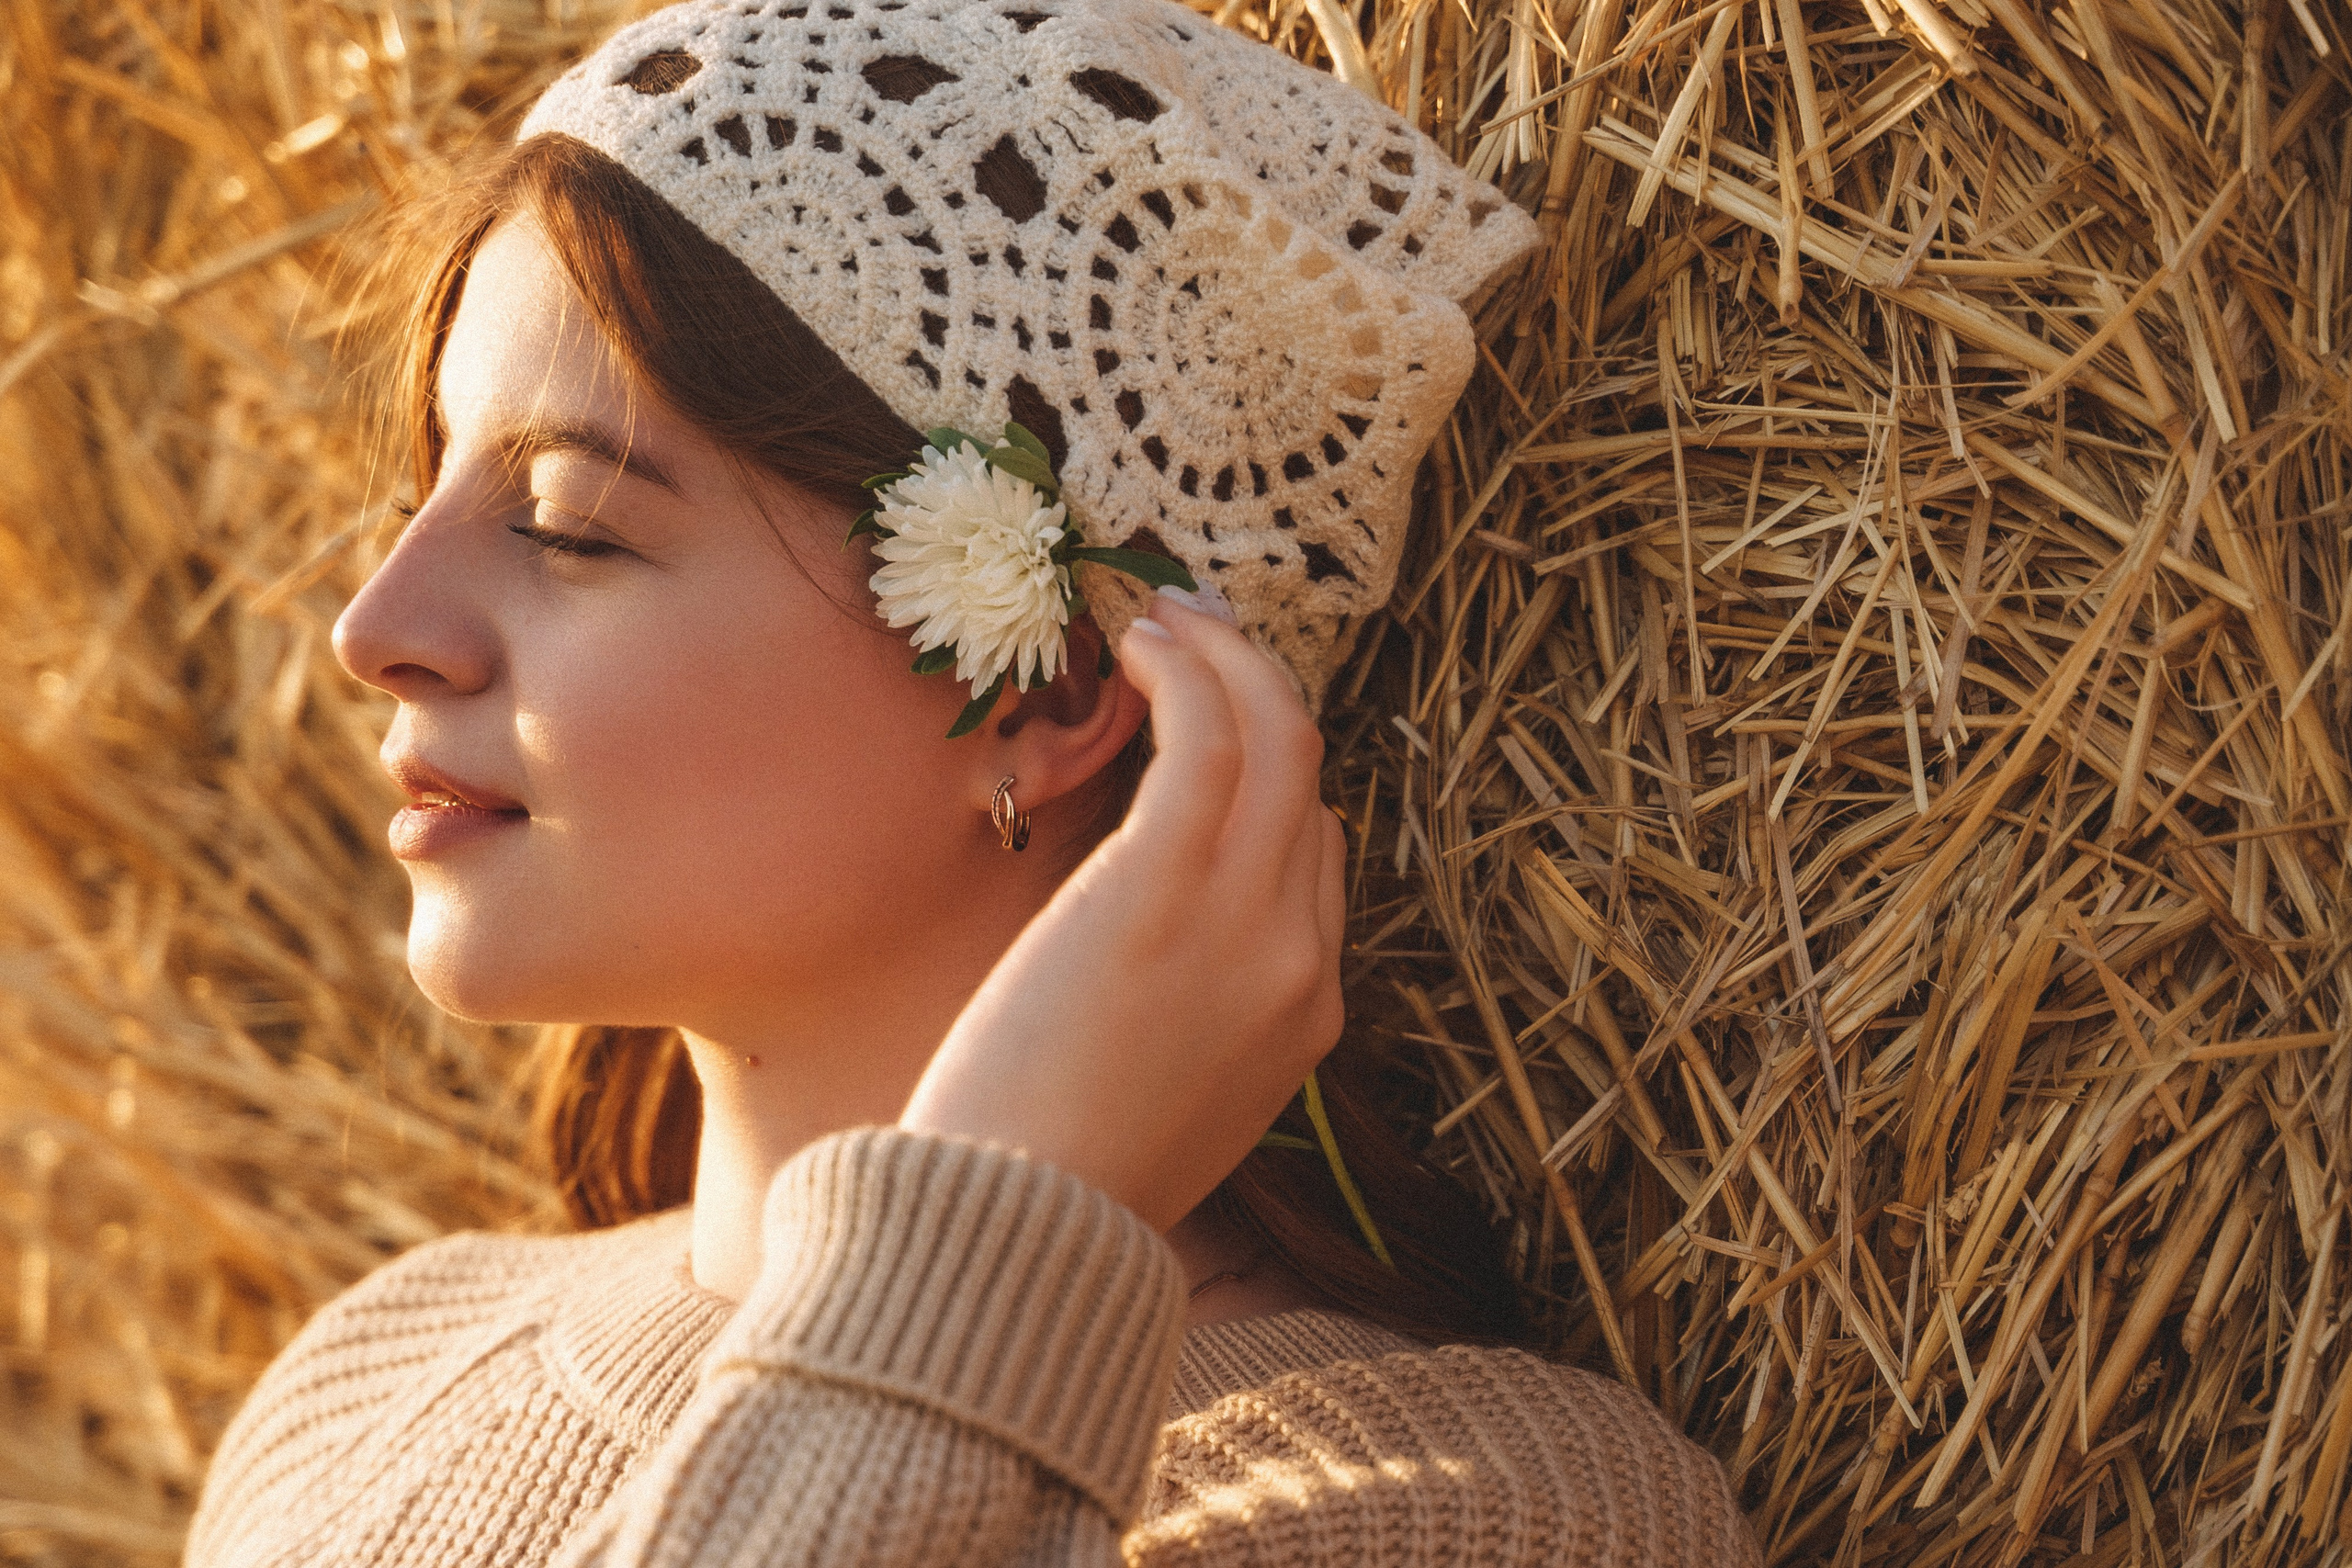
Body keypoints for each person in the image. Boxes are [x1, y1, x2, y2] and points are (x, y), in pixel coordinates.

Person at [184, 2, 1758, 1562]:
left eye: (569, 525)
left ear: (1049, 688)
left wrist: (978, 1256)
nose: (374, 627)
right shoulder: (367, 1386)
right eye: (426, 491)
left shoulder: (1463, 1516)